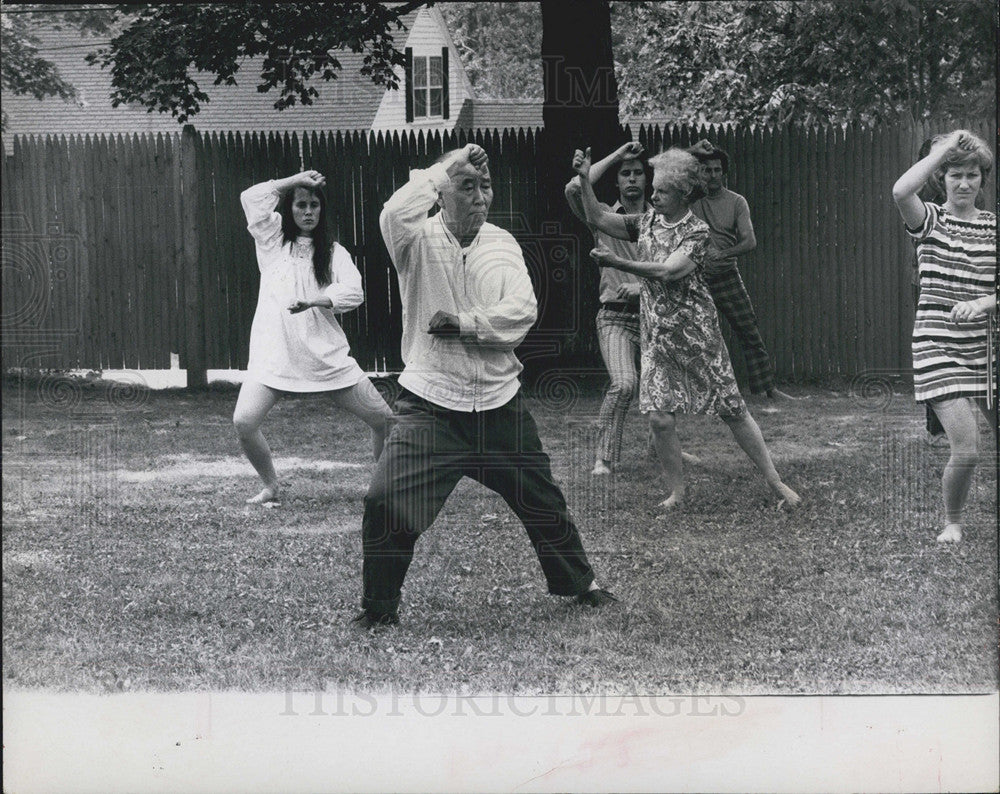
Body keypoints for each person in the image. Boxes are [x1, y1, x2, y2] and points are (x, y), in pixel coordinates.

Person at [356, 143, 616, 627]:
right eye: (466, 186)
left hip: (500, 403)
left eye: (486, 187)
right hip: (431, 404)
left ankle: (582, 585)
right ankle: (378, 610)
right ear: (441, 193)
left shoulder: (502, 243)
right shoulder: (412, 239)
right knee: (385, 500)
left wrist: (464, 324)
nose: (480, 197)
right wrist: (445, 165)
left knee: (543, 500)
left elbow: (522, 312)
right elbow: (395, 208)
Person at [571, 145, 801, 511]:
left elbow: (667, 271)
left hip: (698, 336)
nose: (654, 195)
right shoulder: (645, 222)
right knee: (660, 419)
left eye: (661, 190)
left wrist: (617, 262)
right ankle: (677, 493)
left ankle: (776, 482)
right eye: (655, 189)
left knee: (732, 410)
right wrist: (584, 179)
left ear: (682, 194)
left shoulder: (697, 232)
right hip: (658, 337)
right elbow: (598, 218)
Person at [235, 170, 393, 505]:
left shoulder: (334, 253)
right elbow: (251, 198)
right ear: (289, 210)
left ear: (322, 211)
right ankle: (271, 486)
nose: (308, 212)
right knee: (244, 422)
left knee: (385, 420)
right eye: (301, 205)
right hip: (275, 356)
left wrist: (314, 301)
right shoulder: (272, 243)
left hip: (326, 359)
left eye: (314, 205)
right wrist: (291, 181)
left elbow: (353, 293)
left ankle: (382, 488)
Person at [891, 129, 997, 543]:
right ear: (943, 178)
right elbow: (901, 192)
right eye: (955, 175)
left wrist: (986, 303)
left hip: (987, 348)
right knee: (967, 450)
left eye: (972, 175)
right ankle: (953, 522)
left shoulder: (993, 227)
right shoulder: (931, 219)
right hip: (938, 346)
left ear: (983, 179)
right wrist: (942, 151)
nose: (965, 183)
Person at [564, 142, 650, 475]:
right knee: (625, 384)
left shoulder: (659, 221)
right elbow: (574, 187)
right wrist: (616, 154)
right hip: (615, 317)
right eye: (625, 174)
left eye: (638, 173)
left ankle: (664, 450)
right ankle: (603, 457)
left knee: (666, 390)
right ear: (616, 182)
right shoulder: (601, 216)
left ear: (646, 179)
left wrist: (642, 288)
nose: (632, 179)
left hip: (654, 314)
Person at [688, 141, 795, 401]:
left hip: (726, 275)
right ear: (699, 172)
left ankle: (768, 389)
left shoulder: (736, 201)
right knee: (698, 336)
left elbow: (750, 241)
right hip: (696, 278)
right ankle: (701, 394)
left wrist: (722, 254)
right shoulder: (690, 200)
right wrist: (692, 151)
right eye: (706, 170)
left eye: (716, 170)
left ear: (723, 173)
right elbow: (670, 170)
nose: (712, 175)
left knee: (749, 331)